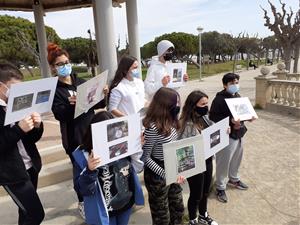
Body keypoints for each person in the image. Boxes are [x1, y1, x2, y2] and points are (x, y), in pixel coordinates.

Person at [47, 43, 107, 219]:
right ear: (53, 67)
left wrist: (103, 94)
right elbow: (60, 115)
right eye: (60, 64)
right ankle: (82, 201)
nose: (64, 66)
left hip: (91, 132)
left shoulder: (81, 82)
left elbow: (99, 105)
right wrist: (72, 105)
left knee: (96, 165)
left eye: (66, 62)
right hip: (74, 137)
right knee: (80, 171)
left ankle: (101, 195)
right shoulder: (55, 90)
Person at [73, 111, 144, 225]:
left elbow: (137, 168)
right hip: (103, 212)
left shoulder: (122, 146)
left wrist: (137, 148)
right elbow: (82, 189)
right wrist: (90, 170)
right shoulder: (83, 156)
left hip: (125, 204)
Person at [0, 63, 45, 225]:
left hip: (30, 166)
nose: (18, 93)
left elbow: (32, 138)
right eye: (14, 88)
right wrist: (19, 129)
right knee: (36, 214)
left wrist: (37, 125)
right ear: (1, 86)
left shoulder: (18, 103)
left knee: (25, 211)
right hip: (12, 173)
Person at [142, 87, 185, 225]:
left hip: (172, 166)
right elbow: (145, 157)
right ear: (165, 104)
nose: (178, 106)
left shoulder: (173, 120)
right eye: (176, 102)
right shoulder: (152, 127)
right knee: (162, 217)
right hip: (157, 173)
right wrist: (165, 173)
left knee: (178, 209)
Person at [209, 73, 251, 203]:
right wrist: (230, 121)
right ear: (224, 85)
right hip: (226, 135)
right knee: (223, 162)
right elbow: (213, 117)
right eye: (232, 83)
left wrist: (248, 116)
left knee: (237, 158)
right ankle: (220, 187)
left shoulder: (237, 96)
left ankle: (234, 179)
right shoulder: (219, 99)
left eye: (236, 82)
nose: (235, 85)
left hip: (239, 134)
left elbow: (241, 113)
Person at [178, 90, 218, 225]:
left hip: (207, 159)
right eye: (203, 104)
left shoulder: (206, 118)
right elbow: (181, 147)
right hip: (194, 163)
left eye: (207, 103)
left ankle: (203, 215)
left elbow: (214, 132)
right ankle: (192, 219)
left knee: (205, 191)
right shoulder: (184, 124)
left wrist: (223, 132)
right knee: (196, 194)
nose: (206, 106)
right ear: (193, 105)